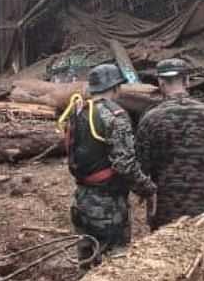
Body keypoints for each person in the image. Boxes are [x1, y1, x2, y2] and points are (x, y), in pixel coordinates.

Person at [62, 64, 157, 266]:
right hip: (108, 206)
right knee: (115, 265)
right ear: (116, 88)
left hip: (81, 199)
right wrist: (147, 188)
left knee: (88, 260)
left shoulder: (78, 111)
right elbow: (125, 165)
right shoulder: (115, 116)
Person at [136, 58, 204, 230]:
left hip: (165, 207)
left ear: (160, 82)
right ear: (187, 80)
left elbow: (143, 167)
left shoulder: (150, 119)